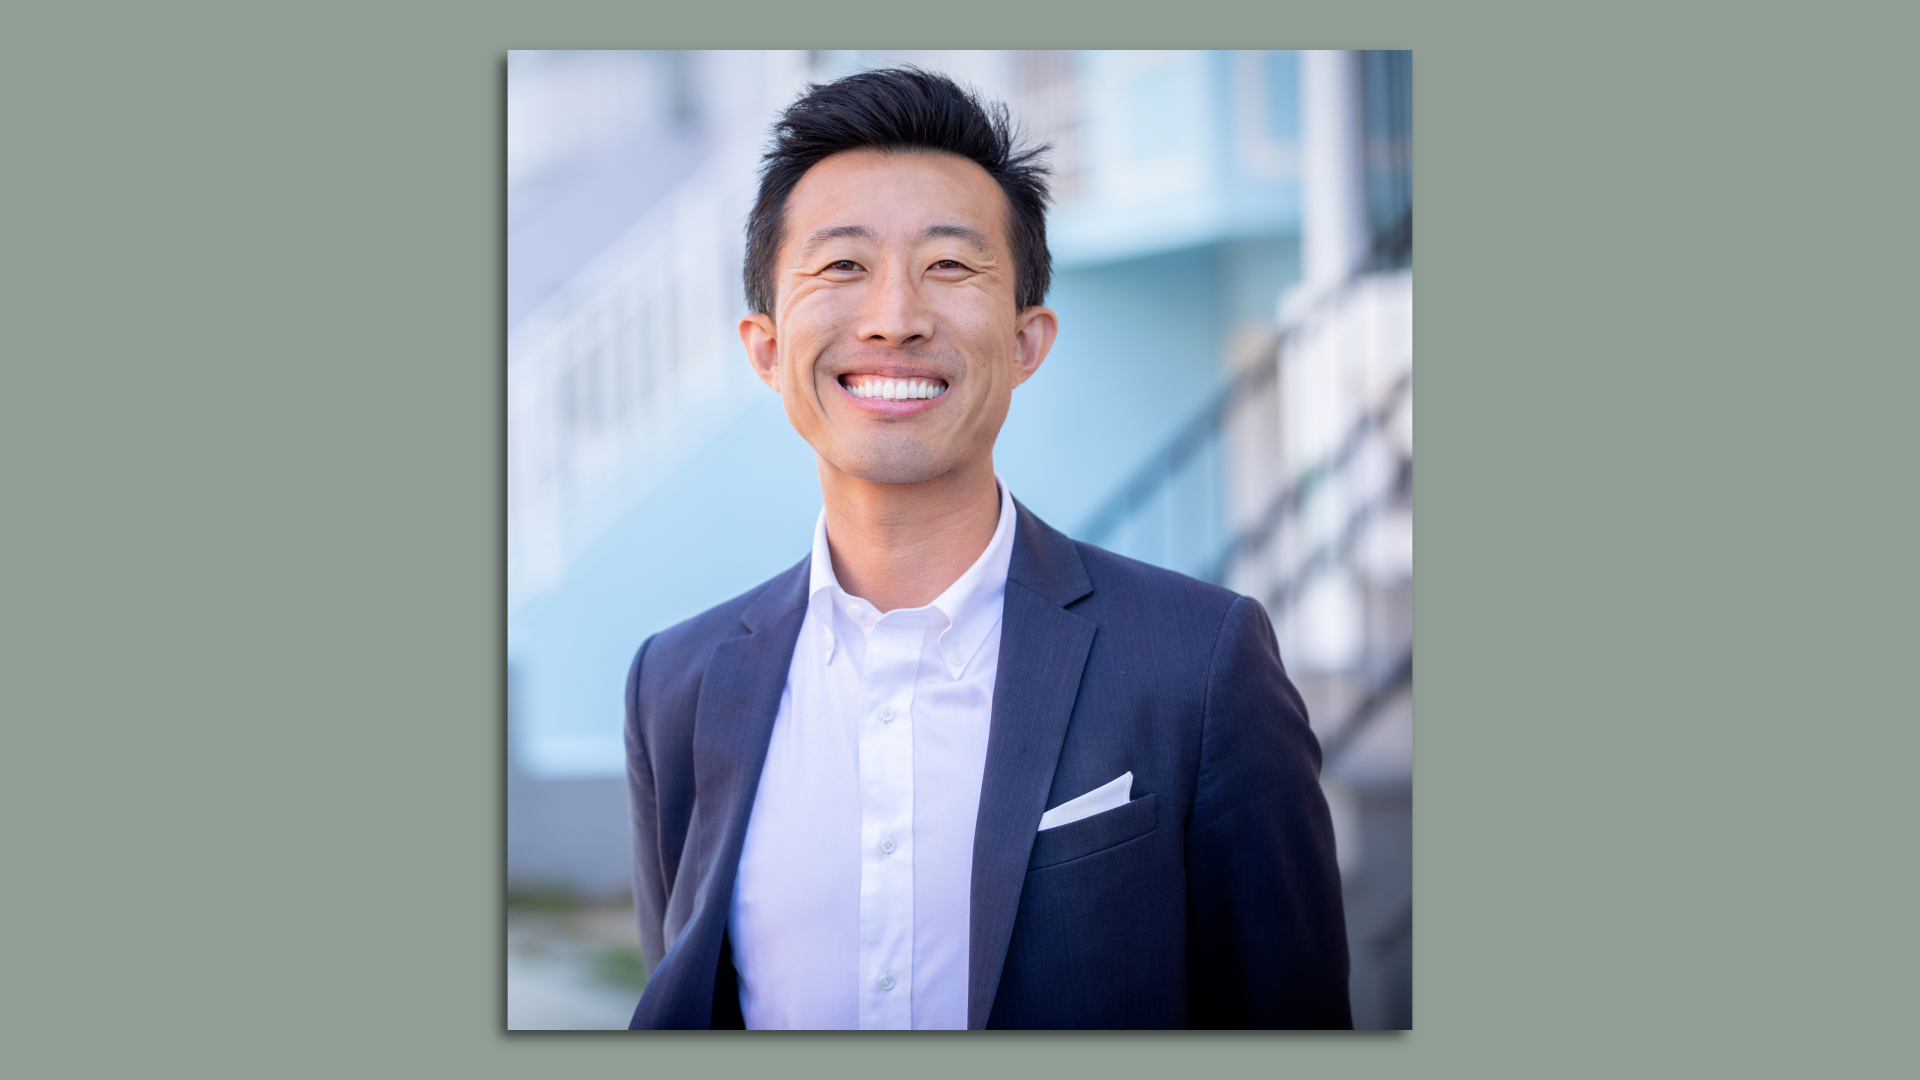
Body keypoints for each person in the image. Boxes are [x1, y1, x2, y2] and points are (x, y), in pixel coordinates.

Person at [624, 67, 1350, 1030]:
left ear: (1026, 341)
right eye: (842, 266)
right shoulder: (677, 684)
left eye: (950, 267)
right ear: (763, 346)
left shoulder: (1200, 664)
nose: (894, 316)